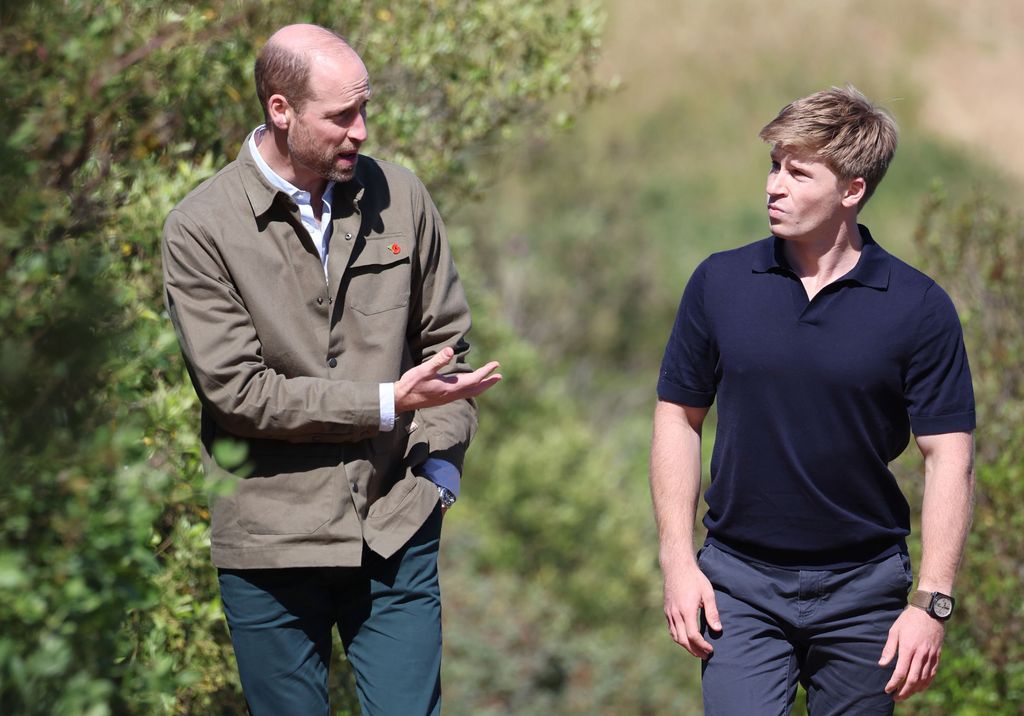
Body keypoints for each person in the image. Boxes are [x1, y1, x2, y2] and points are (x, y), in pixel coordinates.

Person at [161, 23, 501, 716]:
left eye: (365, 109)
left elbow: (448, 347)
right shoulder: (199, 229)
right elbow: (239, 394)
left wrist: (439, 470)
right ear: (279, 110)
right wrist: (384, 403)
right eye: (342, 115)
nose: (361, 130)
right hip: (270, 550)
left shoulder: (401, 197)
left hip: (397, 528)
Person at [649, 86, 975, 714]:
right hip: (738, 585)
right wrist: (677, 562)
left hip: (866, 591)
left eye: (798, 173)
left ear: (851, 190)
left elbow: (949, 458)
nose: (774, 185)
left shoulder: (918, 306)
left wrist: (932, 603)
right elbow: (678, 417)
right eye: (774, 167)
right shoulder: (719, 282)